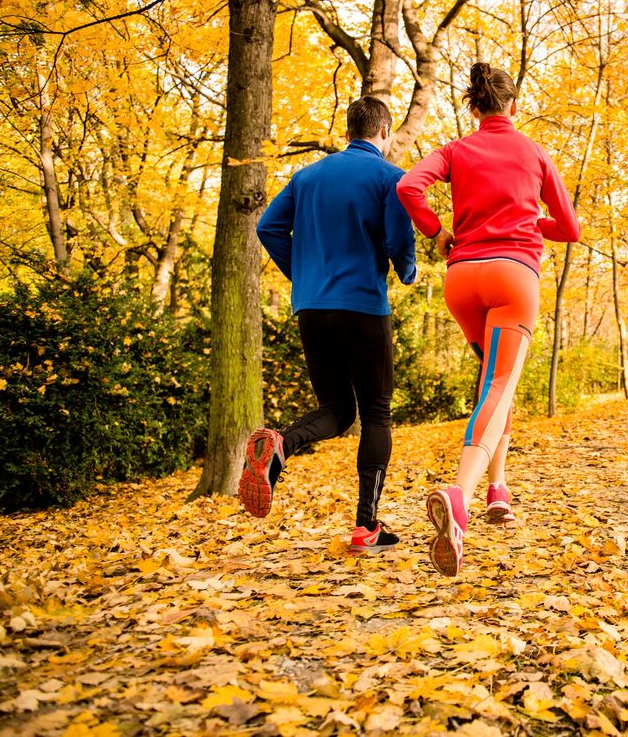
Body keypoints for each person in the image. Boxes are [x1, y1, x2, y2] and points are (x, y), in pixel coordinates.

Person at [397, 62, 580, 577]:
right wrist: (525, 217)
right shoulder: (534, 152)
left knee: (495, 385)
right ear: (514, 107)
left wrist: (436, 230)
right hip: (512, 277)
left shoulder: (456, 150)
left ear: (474, 109)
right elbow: (568, 227)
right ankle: (462, 496)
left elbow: (409, 186)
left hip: (462, 279)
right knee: (499, 383)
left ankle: (499, 488)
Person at [241, 96, 418, 556]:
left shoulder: (307, 177)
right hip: (362, 306)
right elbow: (400, 239)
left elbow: (267, 227)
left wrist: (303, 275)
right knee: (376, 412)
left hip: (313, 309)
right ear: (385, 132)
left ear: (347, 133)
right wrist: (407, 269)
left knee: (337, 410)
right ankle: (366, 527)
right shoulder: (389, 178)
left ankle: (281, 443)